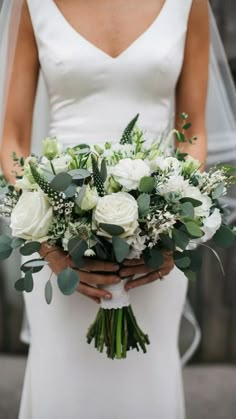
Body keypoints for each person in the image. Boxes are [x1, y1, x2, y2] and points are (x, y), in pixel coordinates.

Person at [0, 1, 210, 418]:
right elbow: (13, 137)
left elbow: (194, 131)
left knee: (144, 392)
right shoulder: (33, 4)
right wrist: (48, 243)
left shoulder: (191, 4)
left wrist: (170, 227)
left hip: (154, 252)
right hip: (58, 246)